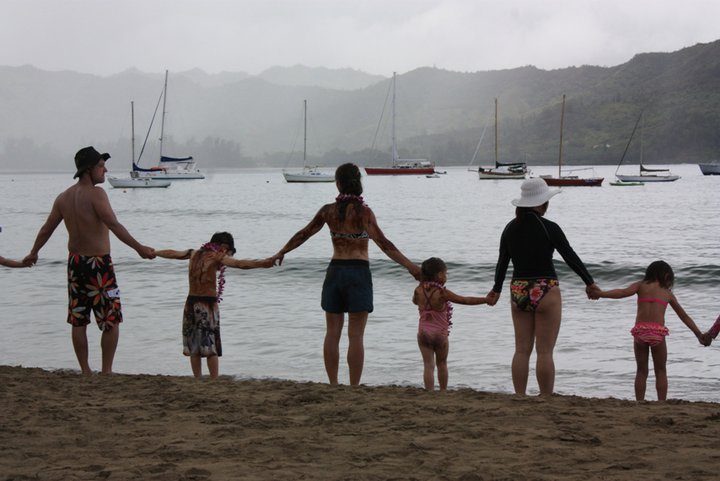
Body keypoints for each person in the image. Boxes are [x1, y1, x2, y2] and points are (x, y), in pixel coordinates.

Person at [272, 163, 420, 386]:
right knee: (356, 335)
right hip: (358, 273)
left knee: (332, 333)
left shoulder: (327, 211)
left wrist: (282, 251)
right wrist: (411, 267)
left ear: (338, 183)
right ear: (358, 182)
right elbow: (384, 244)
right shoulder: (364, 213)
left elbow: (304, 234)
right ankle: (353, 385)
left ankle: (333, 384)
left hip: (335, 272)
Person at [24, 146, 155, 376]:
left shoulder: (63, 197)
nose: (105, 170)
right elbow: (113, 224)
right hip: (99, 264)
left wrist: (33, 252)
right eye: (101, 166)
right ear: (88, 170)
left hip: (75, 264)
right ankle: (106, 371)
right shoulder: (97, 194)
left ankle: (85, 371)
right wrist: (139, 248)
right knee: (111, 319)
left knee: (79, 319)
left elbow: (46, 229)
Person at [487, 177, 598, 396]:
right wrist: (590, 283)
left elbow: (502, 262)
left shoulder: (510, 228)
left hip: (518, 289)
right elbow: (570, 257)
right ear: (542, 202)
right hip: (545, 288)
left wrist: (496, 289)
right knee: (544, 351)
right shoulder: (549, 228)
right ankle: (545, 397)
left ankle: (519, 395)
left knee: (521, 350)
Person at [155, 232, 274, 379]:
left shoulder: (194, 253)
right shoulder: (218, 257)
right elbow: (240, 264)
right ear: (224, 247)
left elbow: (172, 253)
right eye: (229, 252)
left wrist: (154, 252)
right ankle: (214, 380)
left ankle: (197, 379)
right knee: (210, 346)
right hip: (207, 305)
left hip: (191, 303)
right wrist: (263, 263)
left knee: (194, 346)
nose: (228, 255)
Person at [588, 261, 706, 401]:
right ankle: (661, 402)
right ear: (667, 275)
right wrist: (699, 334)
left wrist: (601, 294)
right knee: (661, 371)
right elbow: (684, 316)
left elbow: (622, 292)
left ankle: (639, 402)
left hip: (640, 332)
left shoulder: (640, 285)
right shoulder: (667, 293)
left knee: (641, 370)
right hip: (657, 333)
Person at [413, 257, 488, 391]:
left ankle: (429, 391)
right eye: (445, 273)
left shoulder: (418, 290)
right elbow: (464, 300)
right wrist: (485, 300)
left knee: (428, 365)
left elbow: (415, 301)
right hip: (440, 334)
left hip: (423, 332)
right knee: (442, 364)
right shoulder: (442, 293)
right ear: (440, 275)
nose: (446, 276)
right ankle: (442, 391)